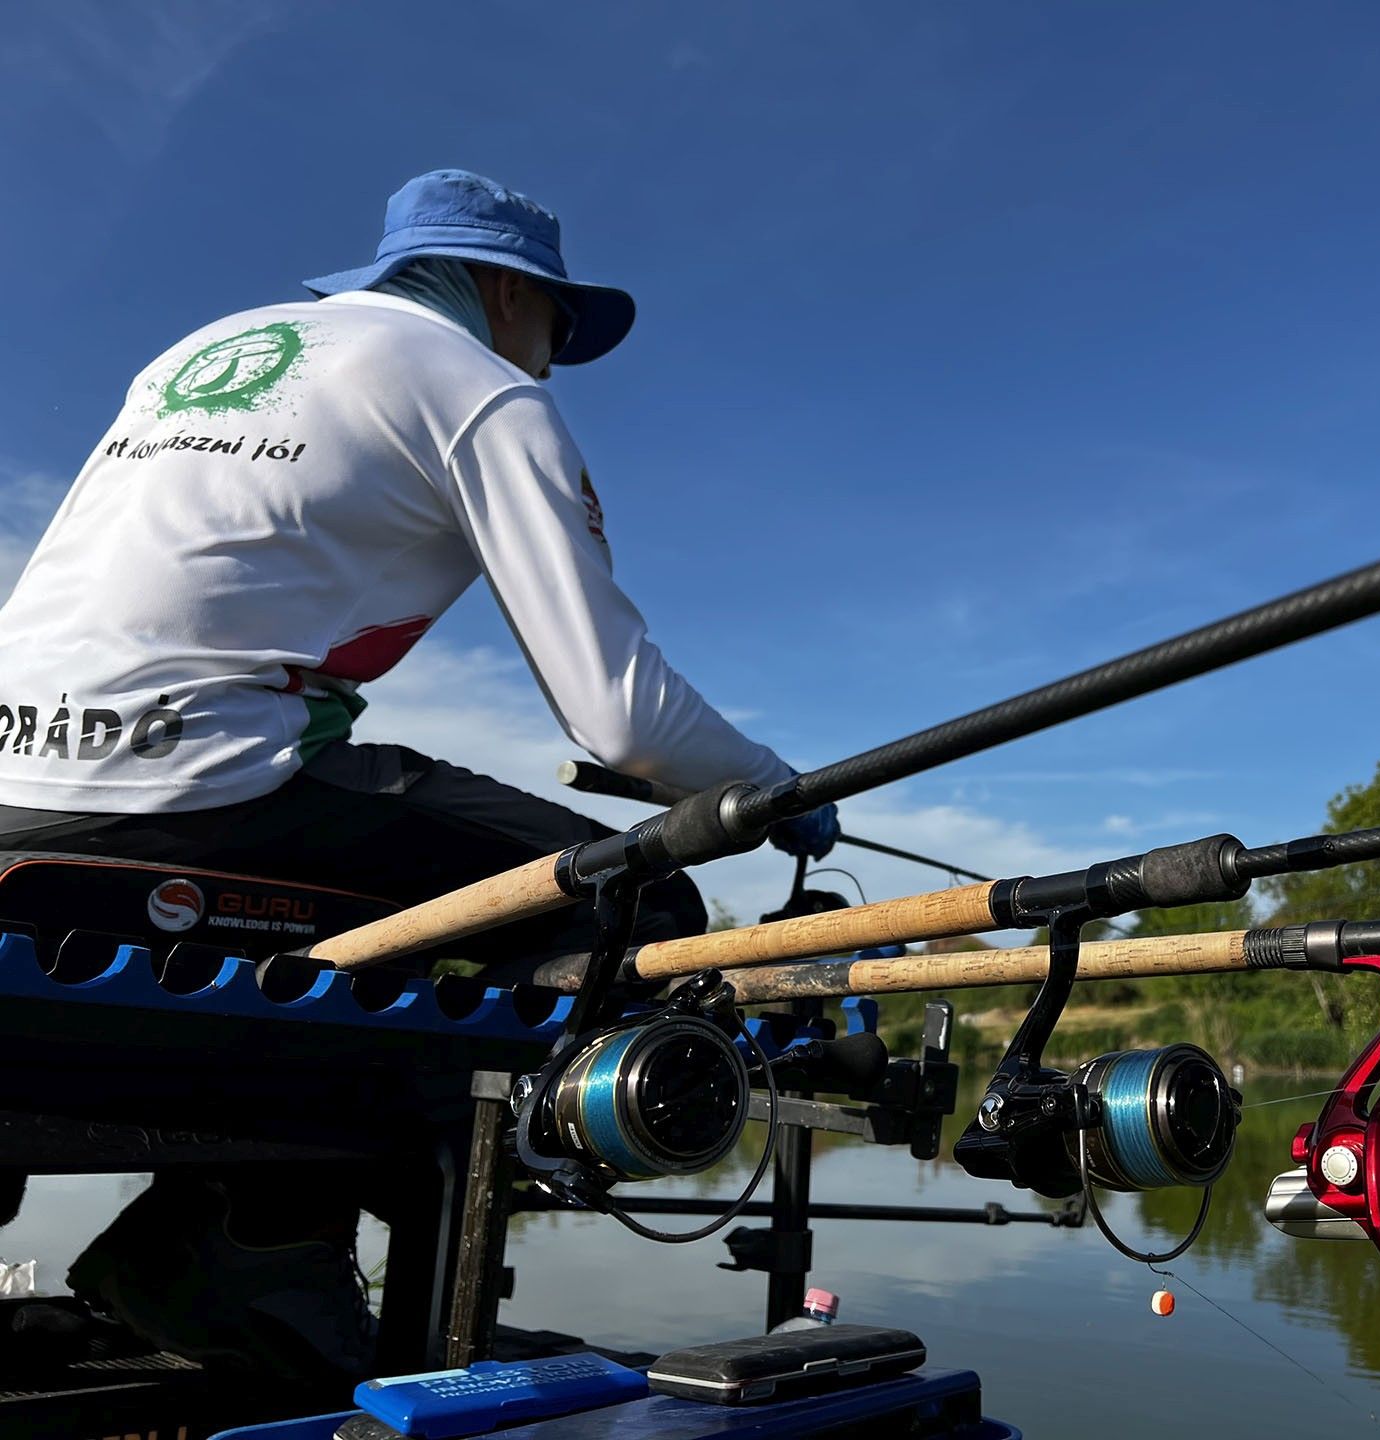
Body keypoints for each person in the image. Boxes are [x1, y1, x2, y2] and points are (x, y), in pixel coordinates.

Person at [0, 168, 840, 1376]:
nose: (552, 357)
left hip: (14, 786)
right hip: (195, 787)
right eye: (556, 320)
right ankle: (254, 1244)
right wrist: (777, 792)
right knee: (643, 899)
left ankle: (245, 1211)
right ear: (505, 291)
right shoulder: (482, 391)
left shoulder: (211, 347)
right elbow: (625, 724)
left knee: (437, 854)